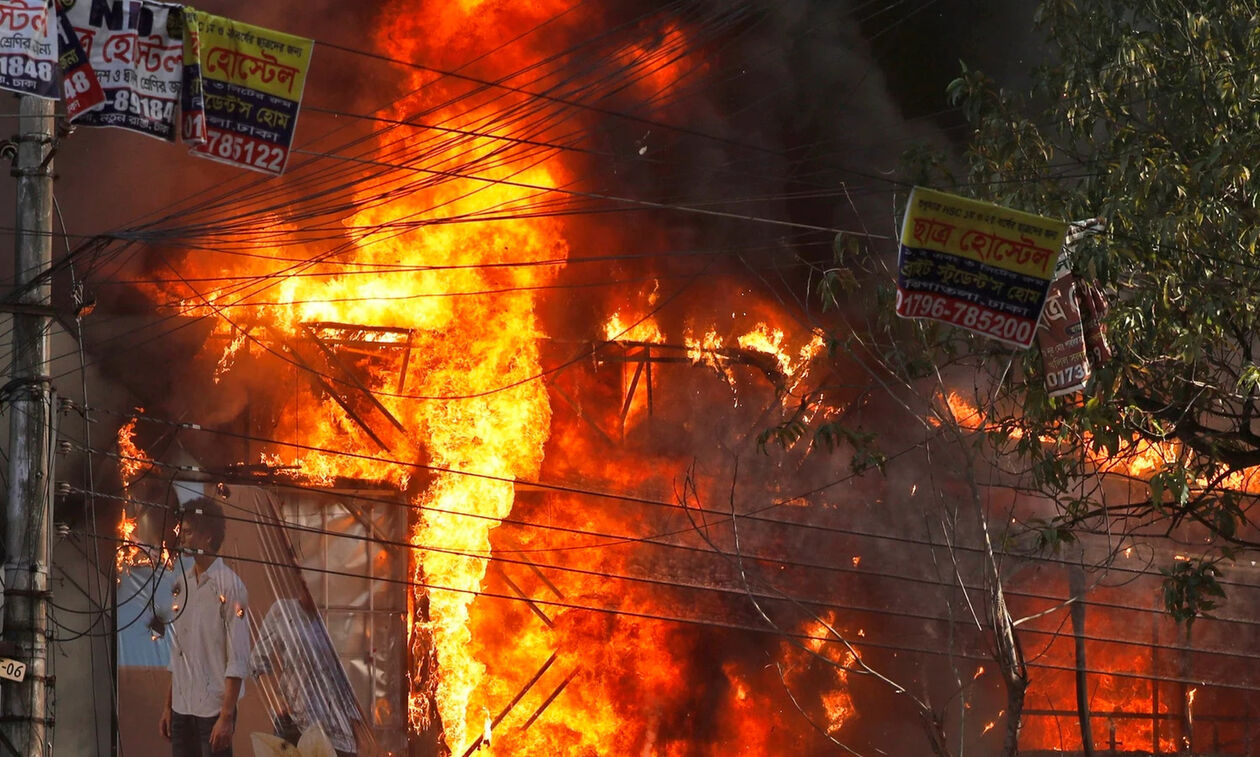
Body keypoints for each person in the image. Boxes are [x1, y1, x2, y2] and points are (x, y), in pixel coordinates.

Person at [158, 497, 250, 757]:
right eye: (182, 532)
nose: (182, 538)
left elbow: (238, 658)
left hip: (213, 709)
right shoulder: (182, 585)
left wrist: (226, 716)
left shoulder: (230, 586)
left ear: (207, 536)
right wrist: (168, 705)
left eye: (188, 532)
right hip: (182, 707)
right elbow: (179, 652)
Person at [250, 570, 370, 757]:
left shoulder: (335, 620)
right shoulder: (283, 611)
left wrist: (360, 733)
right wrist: (279, 703)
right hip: (296, 724)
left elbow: (346, 681)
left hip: (338, 732)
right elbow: (257, 661)